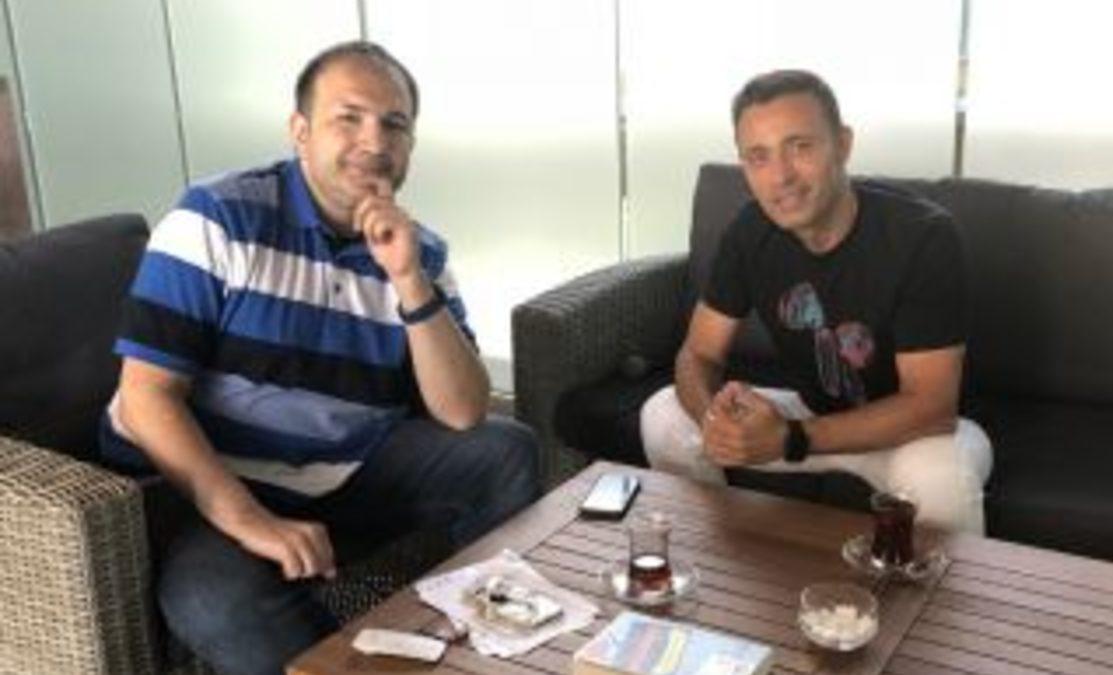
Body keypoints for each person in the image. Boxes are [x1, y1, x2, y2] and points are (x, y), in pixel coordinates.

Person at [98, 41, 540, 675]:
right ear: (300, 131)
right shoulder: (218, 218)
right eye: (348, 118)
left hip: (343, 466)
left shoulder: (421, 251)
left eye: (394, 125)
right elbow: (146, 398)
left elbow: (464, 411)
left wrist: (408, 278)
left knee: (506, 451)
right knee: (215, 600)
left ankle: (487, 645)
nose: (375, 141)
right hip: (207, 478)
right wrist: (251, 520)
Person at [640, 69, 992, 533]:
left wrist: (790, 438)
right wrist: (717, 423)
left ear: (843, 145)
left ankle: (944, 589)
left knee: (937, 479)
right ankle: (721, 561)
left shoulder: (922, 236)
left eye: (800, 147)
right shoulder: (750, 231)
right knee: (664, 415)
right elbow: (699, 354)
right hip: (807, 418)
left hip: (910, 435)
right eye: (759, 157)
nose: (781, 176)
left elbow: (931, 406)